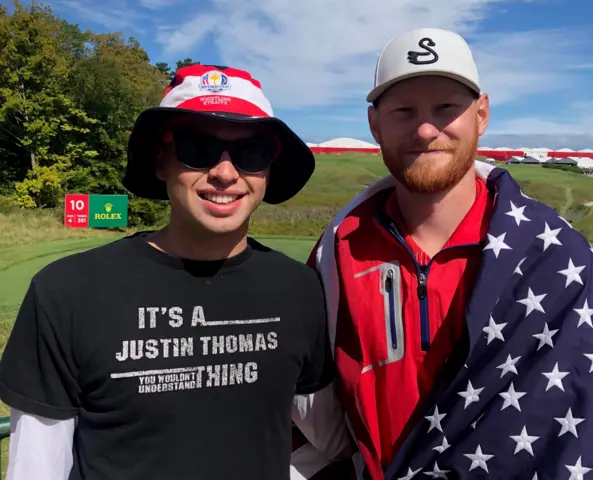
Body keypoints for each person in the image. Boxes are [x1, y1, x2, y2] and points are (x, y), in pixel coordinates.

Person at [291, 28, 593, 479]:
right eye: (403, 110)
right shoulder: (336, 253)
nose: (424, 129)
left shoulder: (557, 258)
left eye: (445, 108)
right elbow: (322, 419)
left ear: (481, 115)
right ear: (374, 124)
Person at [0, 64, 351, 479]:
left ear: (268, 170)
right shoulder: (66, 293)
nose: (224, 172)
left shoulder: (297, 289)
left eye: (252, 152)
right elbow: (37, 469)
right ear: (160, 160)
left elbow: (332, 439)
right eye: (197, 146)